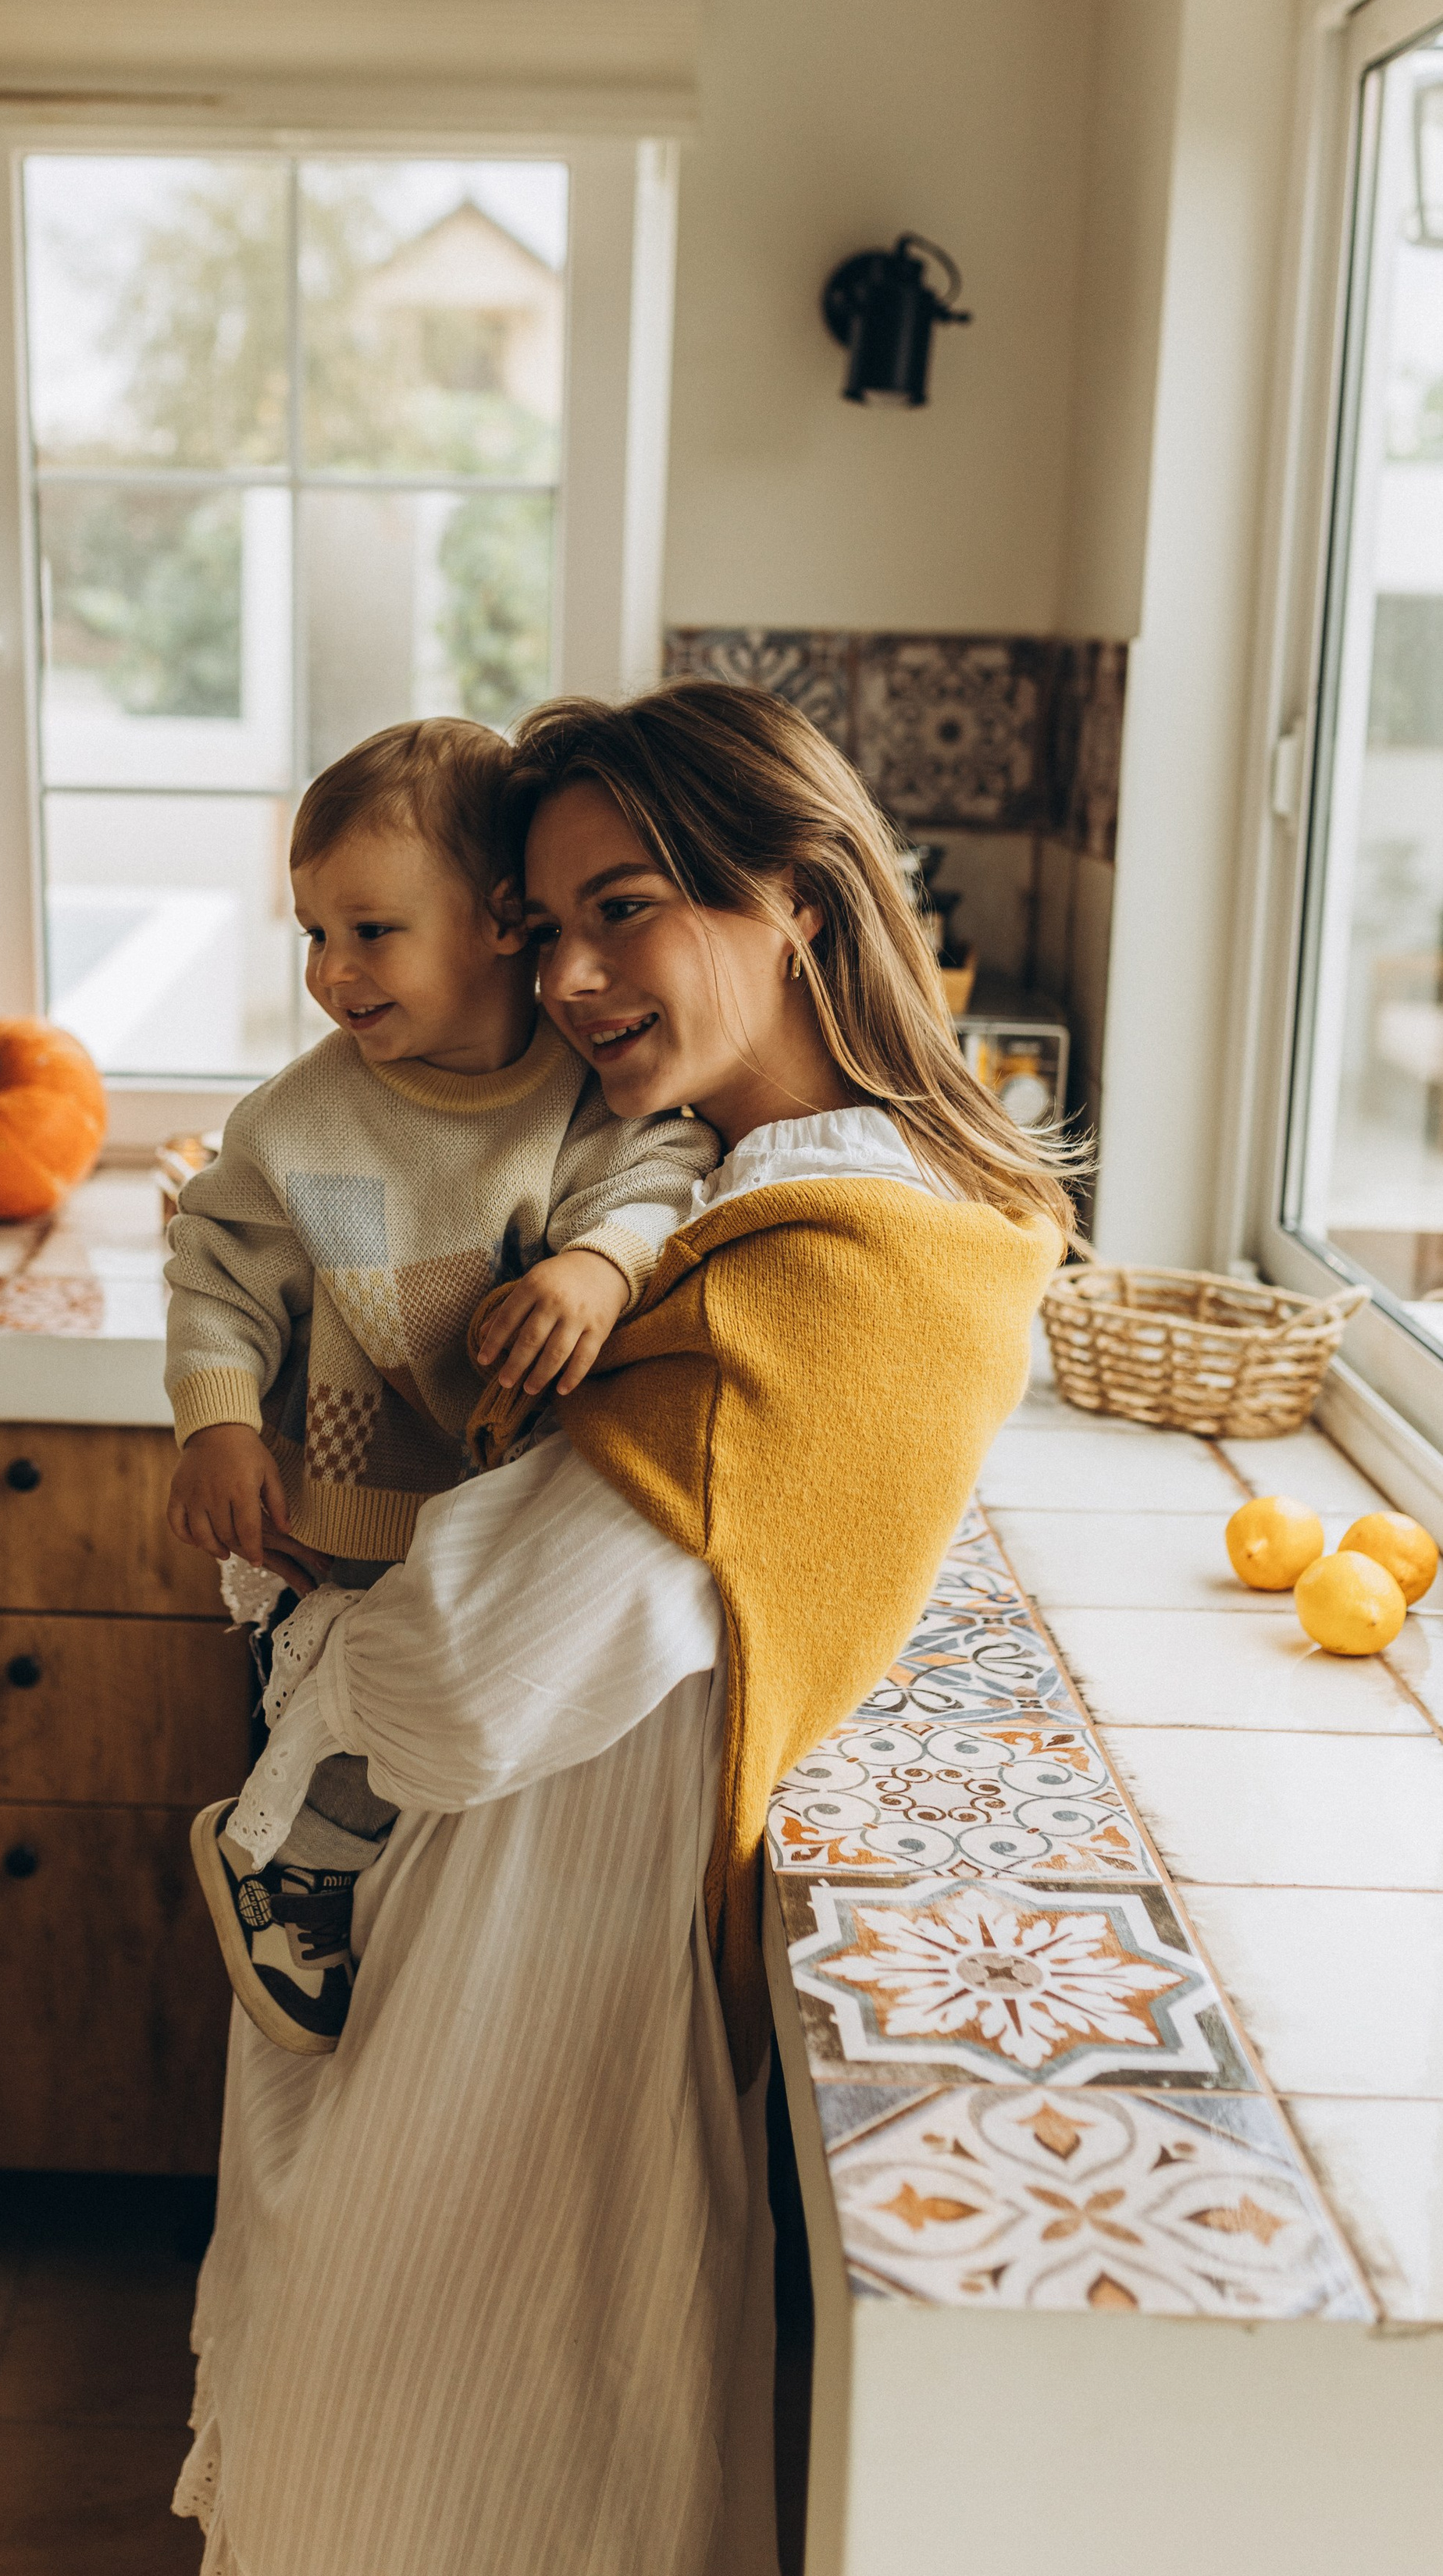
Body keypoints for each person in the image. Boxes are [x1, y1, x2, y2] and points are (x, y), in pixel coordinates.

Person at [174, 681, 1073, 2576]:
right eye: (540, 924)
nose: (570, 977)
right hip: (491, 1944)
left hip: (523, 1990)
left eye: (625, 907)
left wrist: (314, 1663)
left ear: (798, 899)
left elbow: (466, 1679)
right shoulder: (722, 1189)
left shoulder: (833, 1262)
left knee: (423, 2489)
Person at [163, 716, 715, 2048]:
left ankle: (334, 1891)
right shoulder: (297, 1122)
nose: (332, 972)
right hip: (354, 1496)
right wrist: (218, 1424)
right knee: (349, 1718)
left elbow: (668, 1172)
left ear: (502, 924)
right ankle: (274, 1860)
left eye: (371, 931)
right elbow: (217, 1263)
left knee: (447, 1749)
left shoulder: (587, 1092)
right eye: (312, 934)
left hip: (511, 1506)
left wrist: (596, 1267)